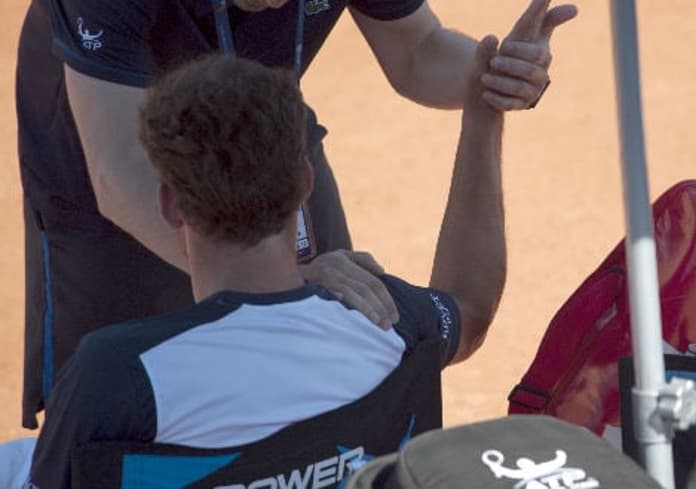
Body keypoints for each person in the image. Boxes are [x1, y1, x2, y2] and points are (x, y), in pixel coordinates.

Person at [14, 0, 577, 428]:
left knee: (337, 332)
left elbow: (419, 50)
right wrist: (276, 285)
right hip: (106, 112)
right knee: (120, 387)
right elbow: (118, 172)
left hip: (263, 106)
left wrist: (494, 75)